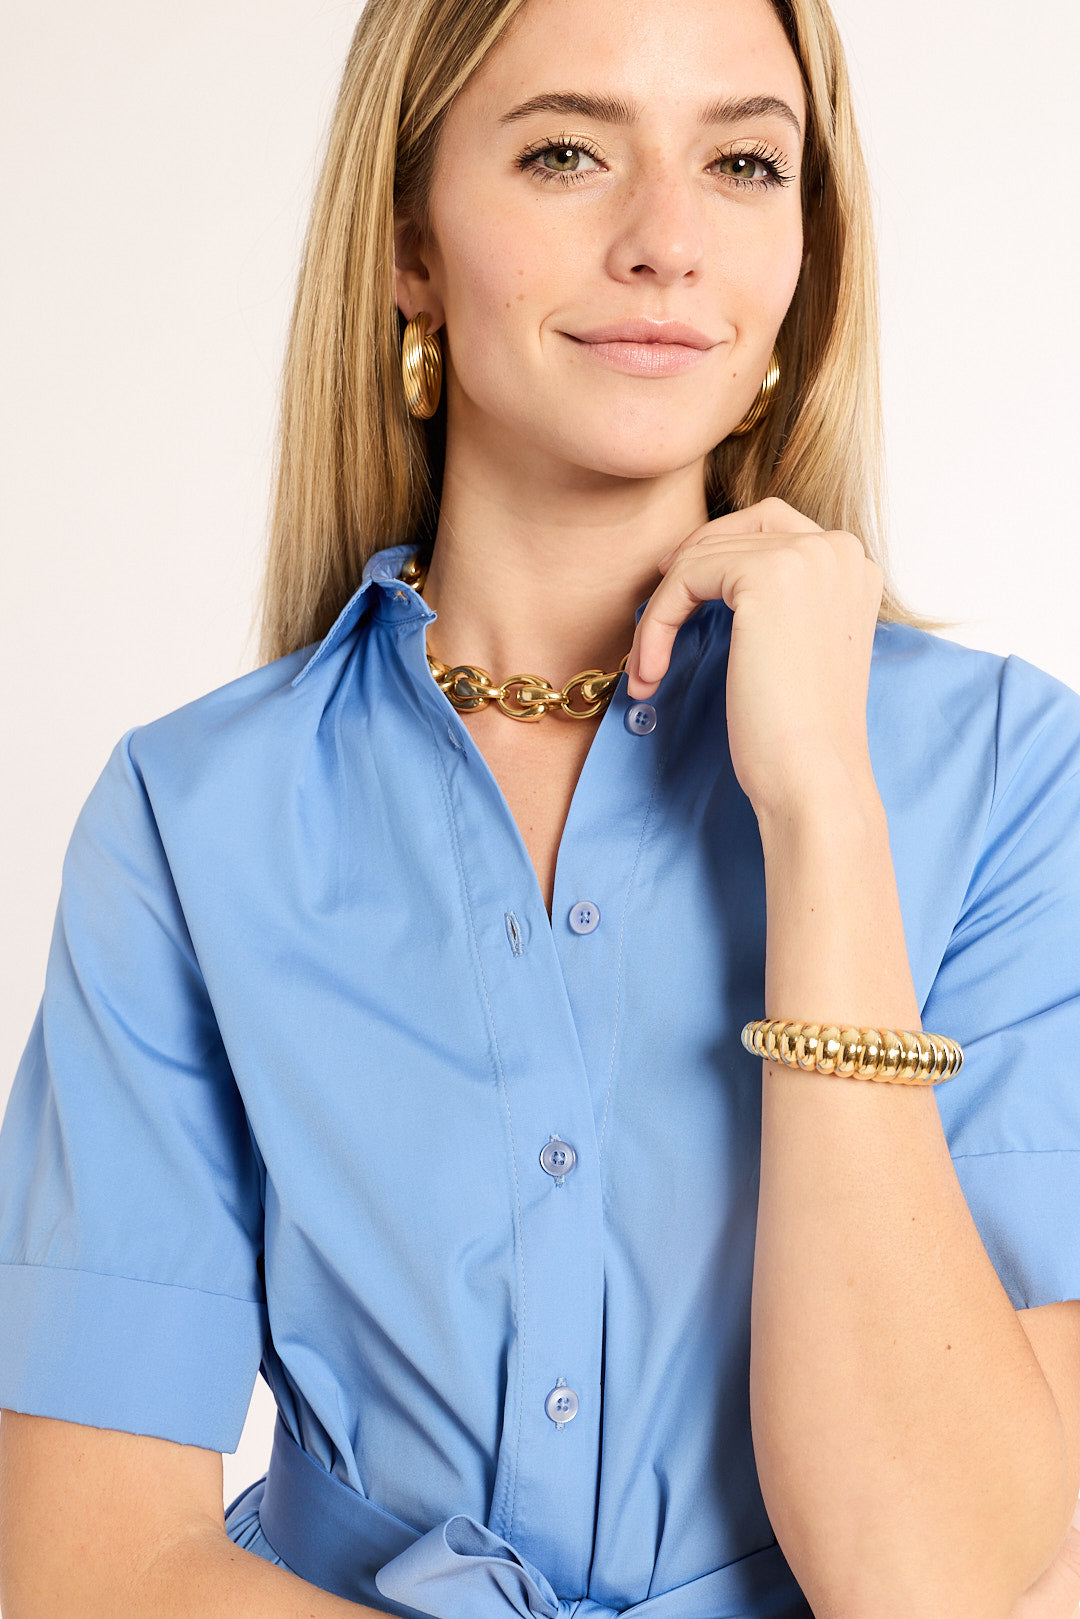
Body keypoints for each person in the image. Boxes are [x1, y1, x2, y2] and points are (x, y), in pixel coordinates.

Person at [1, 0, 1079, 1614]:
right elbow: (86, 1561)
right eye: (569, 152)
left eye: (741, 162)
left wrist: (824, 820)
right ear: (410, 246)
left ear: (807, 257)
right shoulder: (192, 815)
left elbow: (940, 1582)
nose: (667, 241)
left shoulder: (1001, 776)